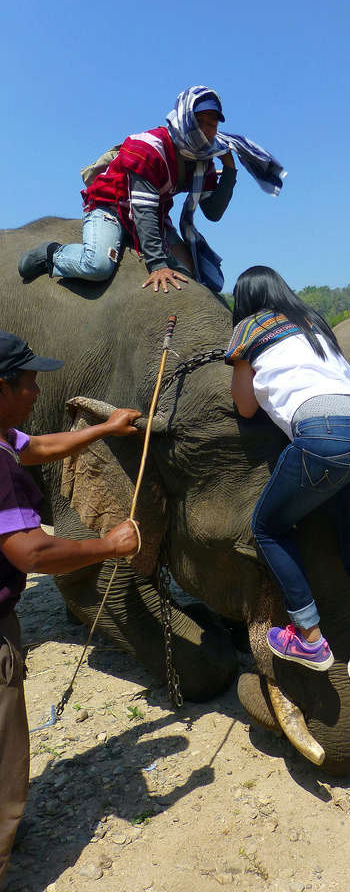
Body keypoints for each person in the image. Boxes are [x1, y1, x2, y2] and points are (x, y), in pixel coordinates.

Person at [0, 331, 141, 885]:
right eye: (28, 379)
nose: (38, 388)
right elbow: (31, 551)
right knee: (6, 768)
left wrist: (103, 430)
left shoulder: (6, 443)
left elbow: (35, 446)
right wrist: (110, 545)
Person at [225, 266, 350, 713]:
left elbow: (244, 407)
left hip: (322, 434)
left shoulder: (249, 327)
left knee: (267, 527)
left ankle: (307, 636)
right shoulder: (315, 325)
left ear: (245, 299)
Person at [18, 86, 284, 295]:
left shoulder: (202, 160)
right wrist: (157, 264)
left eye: (212, 124)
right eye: (199, 120)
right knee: (97, 265)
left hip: (156, 215)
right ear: (184, 117)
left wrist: (229, 170)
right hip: (112, 207)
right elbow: (142, 208)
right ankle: (51, 254)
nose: (206, 129)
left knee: (192, 271)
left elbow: (212, 213)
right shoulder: (149, 148)